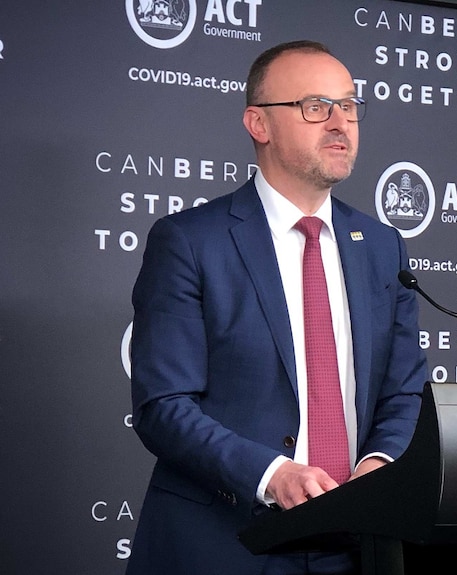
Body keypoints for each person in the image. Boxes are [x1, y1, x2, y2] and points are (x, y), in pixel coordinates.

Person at [126, 40, 428, 575]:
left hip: (361, 548)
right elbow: (164, 406)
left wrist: (380, 466)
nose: (341, 123)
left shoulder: (383, 246)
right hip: (228, 542)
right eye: (316, 107)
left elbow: (403, 389)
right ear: (258, 124)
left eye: (350, 106)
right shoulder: (190, 241)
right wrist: (273, 474)